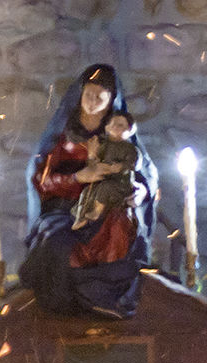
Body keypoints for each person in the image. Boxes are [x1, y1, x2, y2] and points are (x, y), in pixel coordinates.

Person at [19, 63, 156, 319]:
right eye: (88, 95)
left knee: (122, 234)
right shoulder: (62, 137)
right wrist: (78, 177)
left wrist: (139, 192)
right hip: (64, 211)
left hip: (110, 209)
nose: (92, 103)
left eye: (100, 98)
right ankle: (67, 311)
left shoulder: (119, 136)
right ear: (80, 95)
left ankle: (107, 299)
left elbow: (142, 173)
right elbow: (42, 180)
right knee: (58, 244)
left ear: (110, 101)